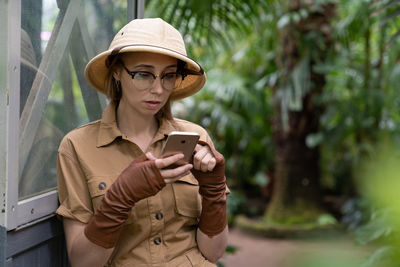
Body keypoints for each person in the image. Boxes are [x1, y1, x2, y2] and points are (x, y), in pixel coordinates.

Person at [56, 18, 229, 267]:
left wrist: (213, 191)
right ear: (117, 71)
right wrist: (120, 197)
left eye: (168, 76)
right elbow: (83, 262)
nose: (158, 89)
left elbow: (213, 253)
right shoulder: (77, 147)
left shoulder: (196, 138)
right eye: (143, 74)